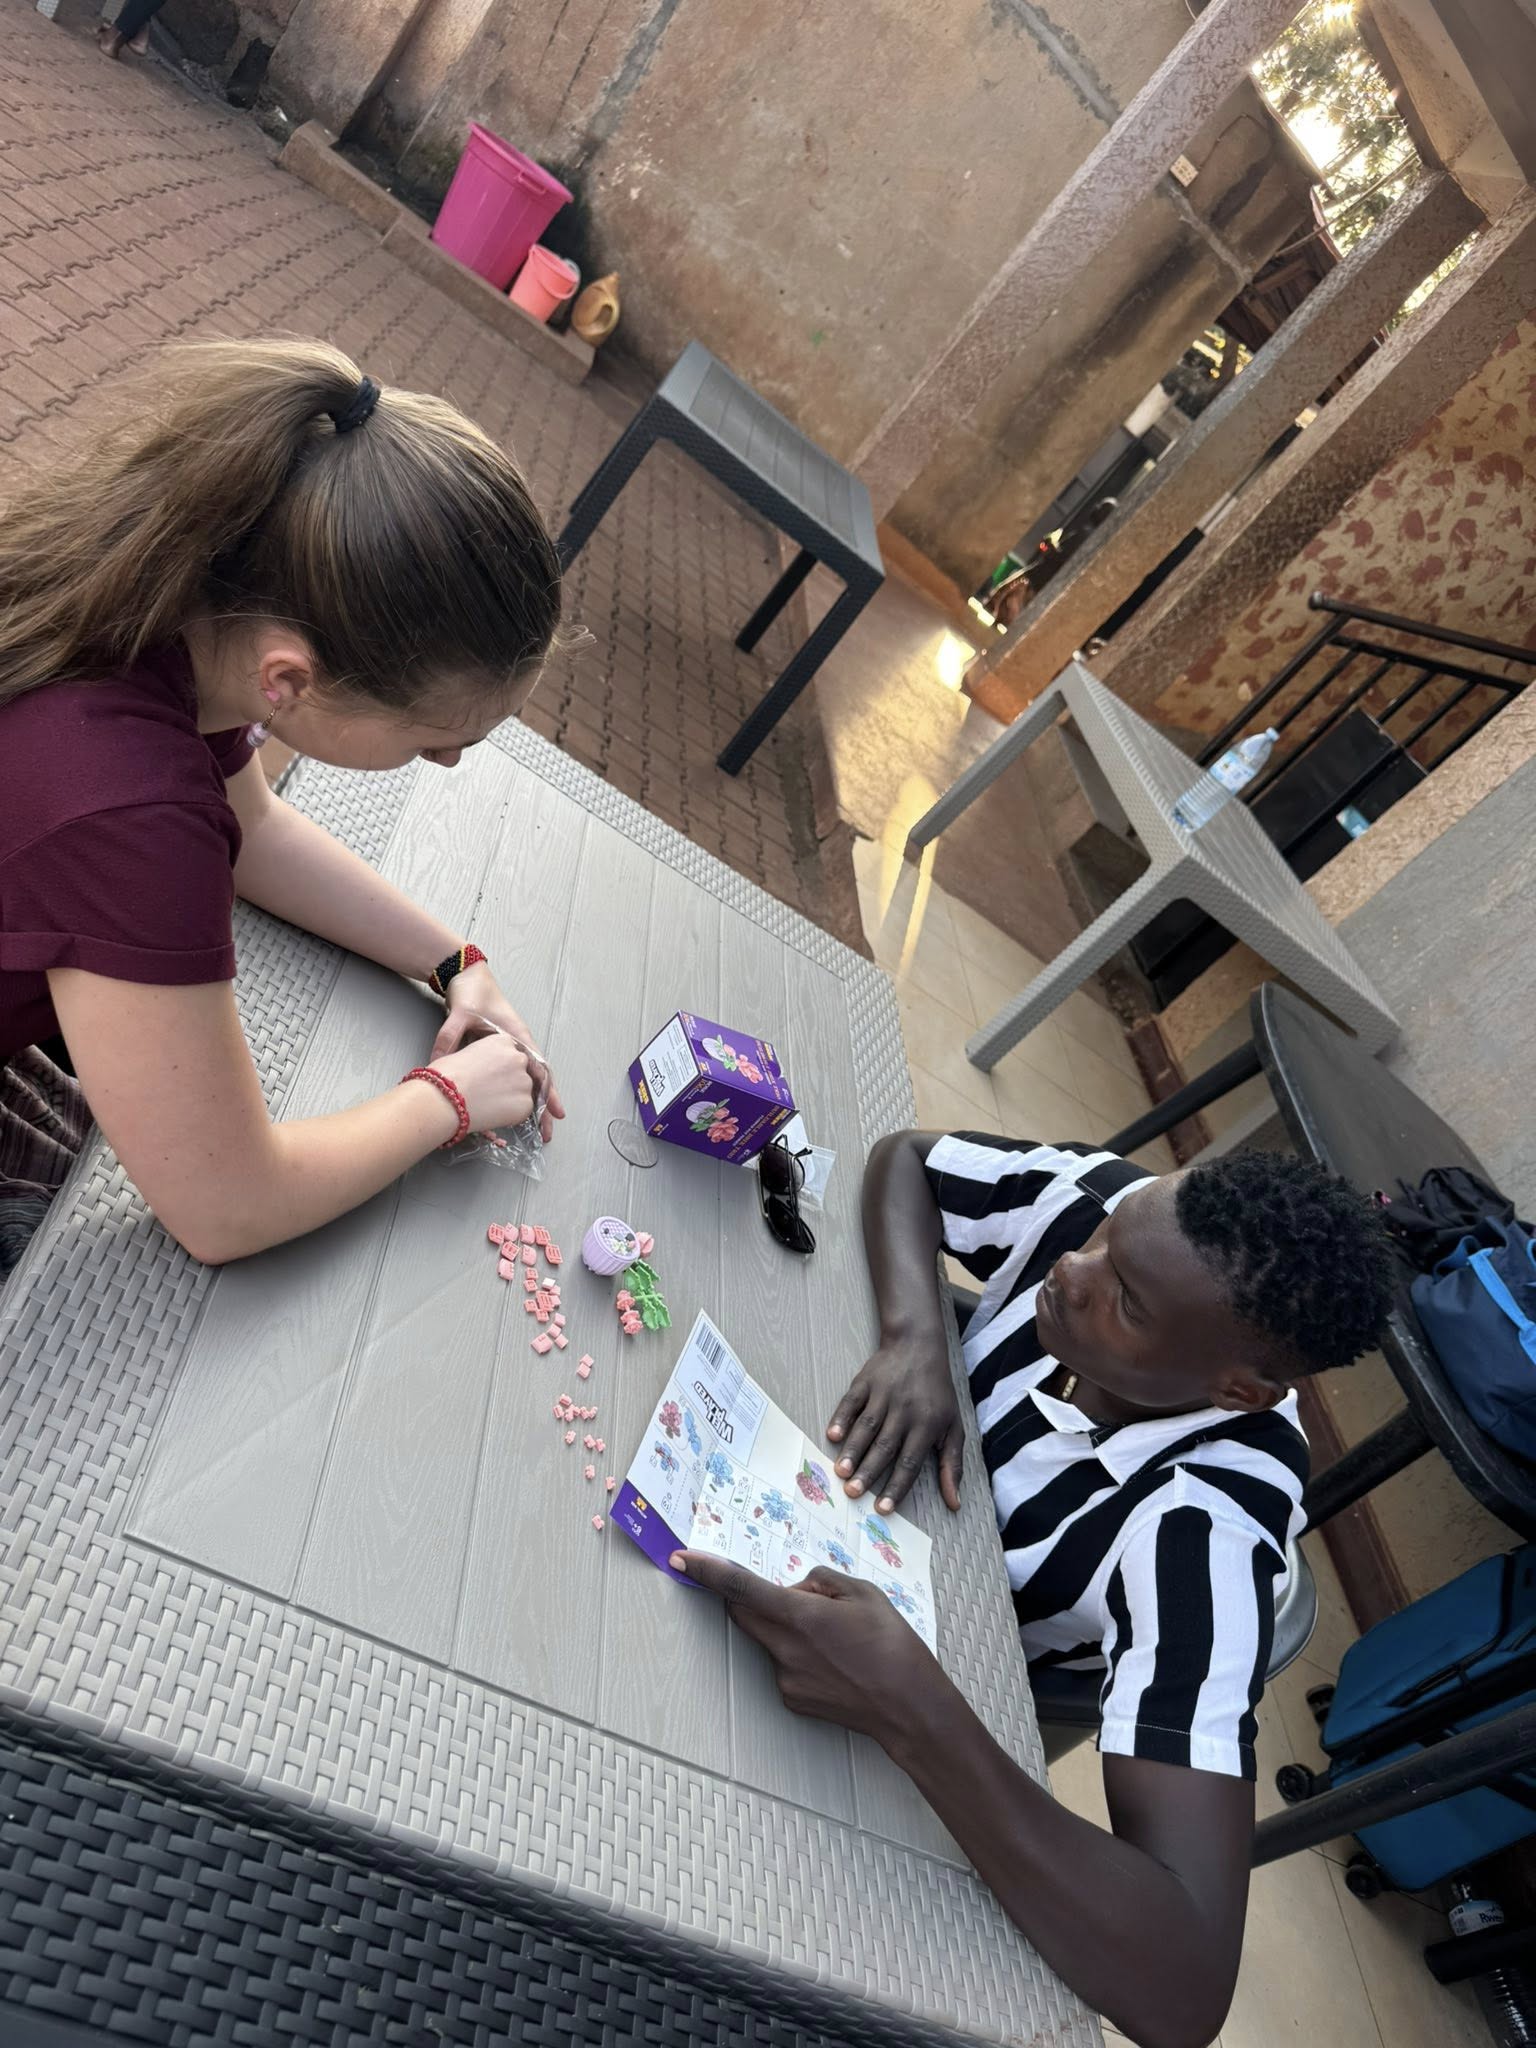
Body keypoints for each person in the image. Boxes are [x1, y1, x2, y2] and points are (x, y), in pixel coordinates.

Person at [677, 1132, 1394, 2048]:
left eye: (1125, 1301)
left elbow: (1184, 1986)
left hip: (947, 1687)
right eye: (1100, 1237)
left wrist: (912, 1709)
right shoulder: (1118, 1219)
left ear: (1238, 1390)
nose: (1070, 1269)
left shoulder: (1200, 1534)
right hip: (865, 1565)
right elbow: (909, 1163)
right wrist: (915, 1336)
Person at [0, 338, 567, 1278]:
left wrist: (457, 961)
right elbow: (226, 1208)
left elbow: (254, 833)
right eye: (432, 740)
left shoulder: (163, 604)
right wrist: (450, 1098)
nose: (453, 762)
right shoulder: (132, 816)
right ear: (289, 681)